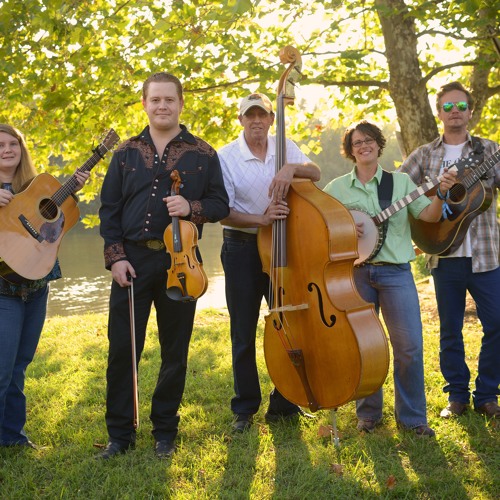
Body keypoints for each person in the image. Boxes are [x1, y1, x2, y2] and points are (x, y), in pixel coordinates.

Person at [98, 72, 229, 459]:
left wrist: (192, 207)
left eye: (169, 100)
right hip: (132, 261)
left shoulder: (204, 153)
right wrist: (115, 258)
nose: (162, 106)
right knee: (123, 348)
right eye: (155, 100)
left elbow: (221, 203)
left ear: (181, 104)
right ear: (144, 103)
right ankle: (120, 435)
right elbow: (109, 210)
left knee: (175, 350)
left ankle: (165, 432)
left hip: (181, 262)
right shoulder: (124, 153)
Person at [323, 120, 456, 437]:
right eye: (357, 142)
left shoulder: (401, 184)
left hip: (396, 273)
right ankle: (368, 415)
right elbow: (320, 228)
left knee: (408, 346)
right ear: (350, 150)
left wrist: (440, 194)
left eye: (369, 140)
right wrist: (345, 229)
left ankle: (412, 418)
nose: (363, 145)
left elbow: (429, 216)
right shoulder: (336, 189)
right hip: (355, 275)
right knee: (365, 347)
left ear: (379, 145)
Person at [218, 93, 321, 433]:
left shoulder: (284, 145)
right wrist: (261, 219)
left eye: (263, 114)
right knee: (243, 331)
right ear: (241, 120)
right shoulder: (226, 157)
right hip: (242, 249)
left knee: (288, 322)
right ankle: (244, 409)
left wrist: (291, 168)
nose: (257, 121)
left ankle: (285, 402)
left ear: (271, 120)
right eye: (251, 116)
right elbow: (223, 213)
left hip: (282, 247)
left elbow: (316, 172)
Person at [400, 81, 500, 420]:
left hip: (487, 255)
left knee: (497, 323)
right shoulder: (424, 154)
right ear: (438, 112)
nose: (454, 111)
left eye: (460, 106)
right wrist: (434, 190)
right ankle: (456, 395)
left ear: (470, 112)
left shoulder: (489, 149)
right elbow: (399, 190)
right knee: (450, 329)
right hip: (443, 251)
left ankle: (487, 395)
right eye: (447, 106)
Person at [0, 123, 89, 449]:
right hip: (2, 290)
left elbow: (51, 229)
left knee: (21, 364)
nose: (8, 150)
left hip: (36, 285)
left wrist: (72, 193)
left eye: (14, 144)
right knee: (1, 370)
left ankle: (12, 436)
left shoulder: (35, 186)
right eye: (1, 145)